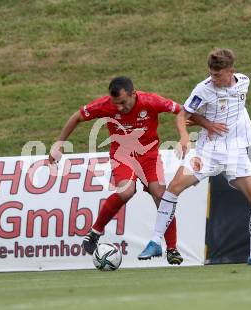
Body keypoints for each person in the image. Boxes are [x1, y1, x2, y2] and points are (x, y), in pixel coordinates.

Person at [138, 48, 251, 266]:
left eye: (218, 75)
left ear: (231, 71)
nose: (213, 78)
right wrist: (185, 136)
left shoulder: (244, 81)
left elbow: (235, 108)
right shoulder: (203, 89)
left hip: (235, 152)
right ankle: (154, 241)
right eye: (211, 73)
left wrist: (205, 120)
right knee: (174, 187)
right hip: (207, 150)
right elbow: (183, 115)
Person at [49, 76, 188, 265]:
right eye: (116, 104)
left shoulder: (151, 101)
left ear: (133, 93)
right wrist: (59, 144)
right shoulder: (106, 105)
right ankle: (95, 232)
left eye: (123, 102)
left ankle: (172, 248)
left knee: (161, 194)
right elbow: (77, 116)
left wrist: (184, 136)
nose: (119, 108)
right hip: (122, 156)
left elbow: (181, 110)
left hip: (149, 156)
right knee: (126, 191)